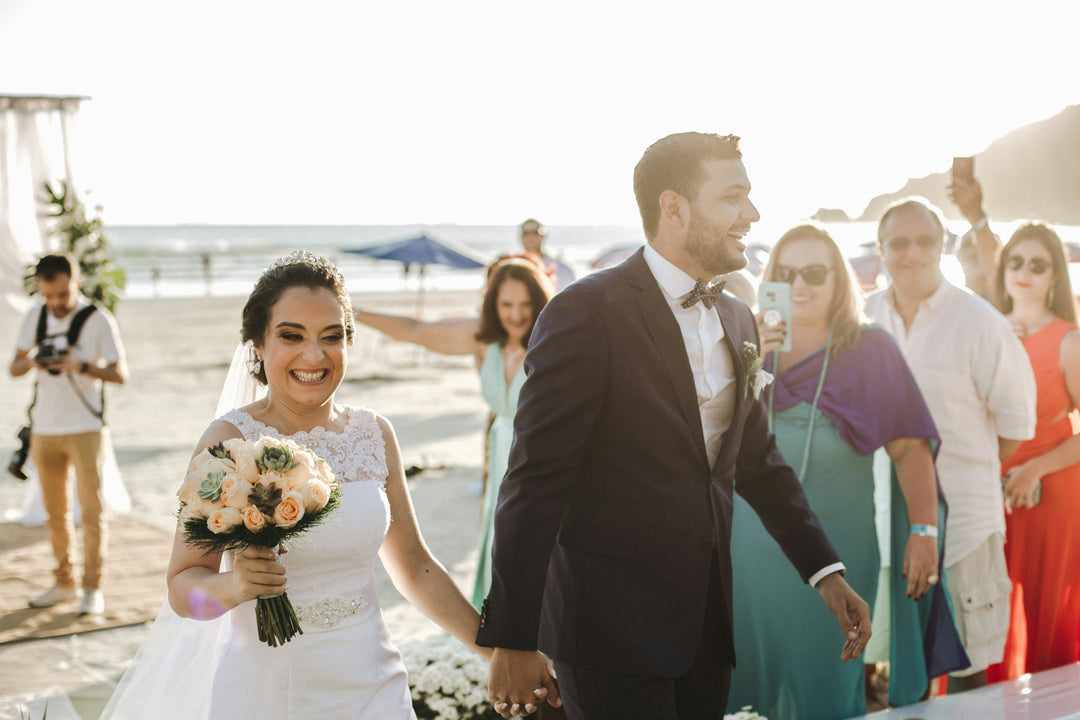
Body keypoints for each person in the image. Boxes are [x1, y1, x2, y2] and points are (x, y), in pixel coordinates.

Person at [479, 132, 872, 720]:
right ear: (674, 207)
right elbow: (535, 479)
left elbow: (755, 461)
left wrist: (825, 572)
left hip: (706, 628)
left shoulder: (738, 318)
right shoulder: (585, 313)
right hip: (607, 634)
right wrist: (512, 636)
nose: (752, 213)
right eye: (733, 197)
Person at [103, 251, 489, 718]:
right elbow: (183, 590)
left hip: (374, 684)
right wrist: (234, 586)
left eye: (332, 336)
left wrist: (495, 651)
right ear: (258, 345)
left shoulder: (374, 434)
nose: (314, 355)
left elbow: (415, 567)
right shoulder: (229, 441)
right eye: (292, 336)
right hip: (270, 694)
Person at [726, 224, 967, 719]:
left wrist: (923, 530)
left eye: (815, 272)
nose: (799, 284)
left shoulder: (870, 349)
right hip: (745, 554)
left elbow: (909, 447)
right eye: (786, 273)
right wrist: (750, 355)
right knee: (743, 689)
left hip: (837, 556)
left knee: (827, 689)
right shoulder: (745, 342)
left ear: (839, 279)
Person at [864, 198, 1037, 692]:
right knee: (888, 668)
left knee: (968, 670)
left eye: (925, 241)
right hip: (878, 523)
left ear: (942, 246)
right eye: (900, 242)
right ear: (881, 249)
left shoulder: (981, 321)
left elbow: (1015, 427)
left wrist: (962, 471)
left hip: (964, 523)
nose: (913, 253)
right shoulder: (861, 318)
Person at [354, 256, 556, 609]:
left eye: (525, 304)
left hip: (542, 457)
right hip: (500, 455)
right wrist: (351, 311)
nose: (516, 315)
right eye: (506, 304)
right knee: (501, 539)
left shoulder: (553, 341)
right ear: (493, 304)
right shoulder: (485, 341)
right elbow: (416, 330)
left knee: (538, 545)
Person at [9, 253, 128, 616]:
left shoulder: (97, 319)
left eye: (62, 294)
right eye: (48, 295)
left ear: (76, 282)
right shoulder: (36, 315)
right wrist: (35, 360)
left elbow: (120, 374)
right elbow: (14, 367)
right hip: (45, 429)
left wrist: (83, 365)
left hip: (86, 428)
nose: (55, 302)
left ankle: (92, 587)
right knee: (55, 514)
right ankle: (64, 583)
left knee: (91, 512)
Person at [986, 222, 1080, 679]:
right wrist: (998, 336)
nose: (1023, 272)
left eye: (1037, 265)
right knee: (988, 612)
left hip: (1052, 493)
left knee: (1047, 608)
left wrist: (1034, 469)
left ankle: (1051, 706)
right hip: (989, 494)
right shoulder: (987, 328)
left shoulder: (1069, 340)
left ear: (1054, 275)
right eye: (1016, 261)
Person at [948, 169, 1000, 299]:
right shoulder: (951, 302)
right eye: (967, 246)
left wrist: (977, 217)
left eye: (979, 247)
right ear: (957, 255)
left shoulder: (1007, 302)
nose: (973, 252)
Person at [519, 218, 575, 290]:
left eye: (535, 232)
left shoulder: (562, 268)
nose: (531, 237)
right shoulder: (515, 269)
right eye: (526, 233)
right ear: (521, 237)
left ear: (543, 236)